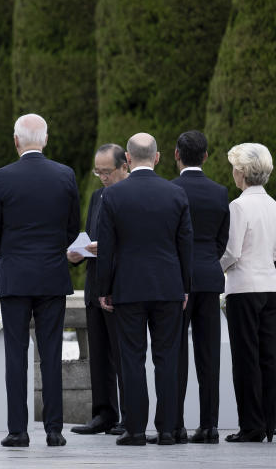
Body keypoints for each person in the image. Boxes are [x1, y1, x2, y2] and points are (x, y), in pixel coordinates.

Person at [0, 113, 79, 448]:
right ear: (46, 139)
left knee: (16, 354)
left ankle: (18, 430)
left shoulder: (1, 177)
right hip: (52, 275)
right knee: (52, 353)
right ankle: (54, 430)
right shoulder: (65, 175)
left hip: (16, 275)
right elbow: (71, 227)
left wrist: (11, 254)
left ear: (15, 141)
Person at [97, 133, 193, 446]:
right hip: (168, 287)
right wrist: (185, 288)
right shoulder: (176, 193)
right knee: (167, 358)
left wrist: (104, 289)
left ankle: (135, 429)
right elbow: (185, 246)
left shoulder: (113, 196)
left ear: (127, 157)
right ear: (157, 157)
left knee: (132, 358)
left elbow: (107, 249)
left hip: (129, 287)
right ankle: (166, 429)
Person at [171, 131, 230, 444]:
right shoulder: (220, 192)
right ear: (206, 156)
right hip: (209, 277)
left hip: (177, 281)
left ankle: (176, 425)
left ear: (176, 154)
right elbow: (222, 240)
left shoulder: (170, 190)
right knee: (209, 357)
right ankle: (209, 426)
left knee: (175, 354)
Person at [68, 144, 129, 436]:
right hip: (95, 285)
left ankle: (130, 415)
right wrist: (79, 252)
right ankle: (103, 413)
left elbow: (137, 242)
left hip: (121, 288)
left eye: (107, 172)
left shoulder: (133, 194)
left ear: (123, 166)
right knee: (99, 354)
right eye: (98, 172)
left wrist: (106, 248)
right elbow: (92, 235)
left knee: (123, 355)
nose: (102, 177)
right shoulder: (97, 196)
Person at [219, 143, 276, 443]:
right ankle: (270, 421)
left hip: (243, 288)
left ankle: (251, 425)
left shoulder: (239, 206)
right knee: (269, 356)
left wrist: (218, 268)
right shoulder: (273, 205)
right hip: (270, 286)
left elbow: (232, 252)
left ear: (240, 173)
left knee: (246, 358)